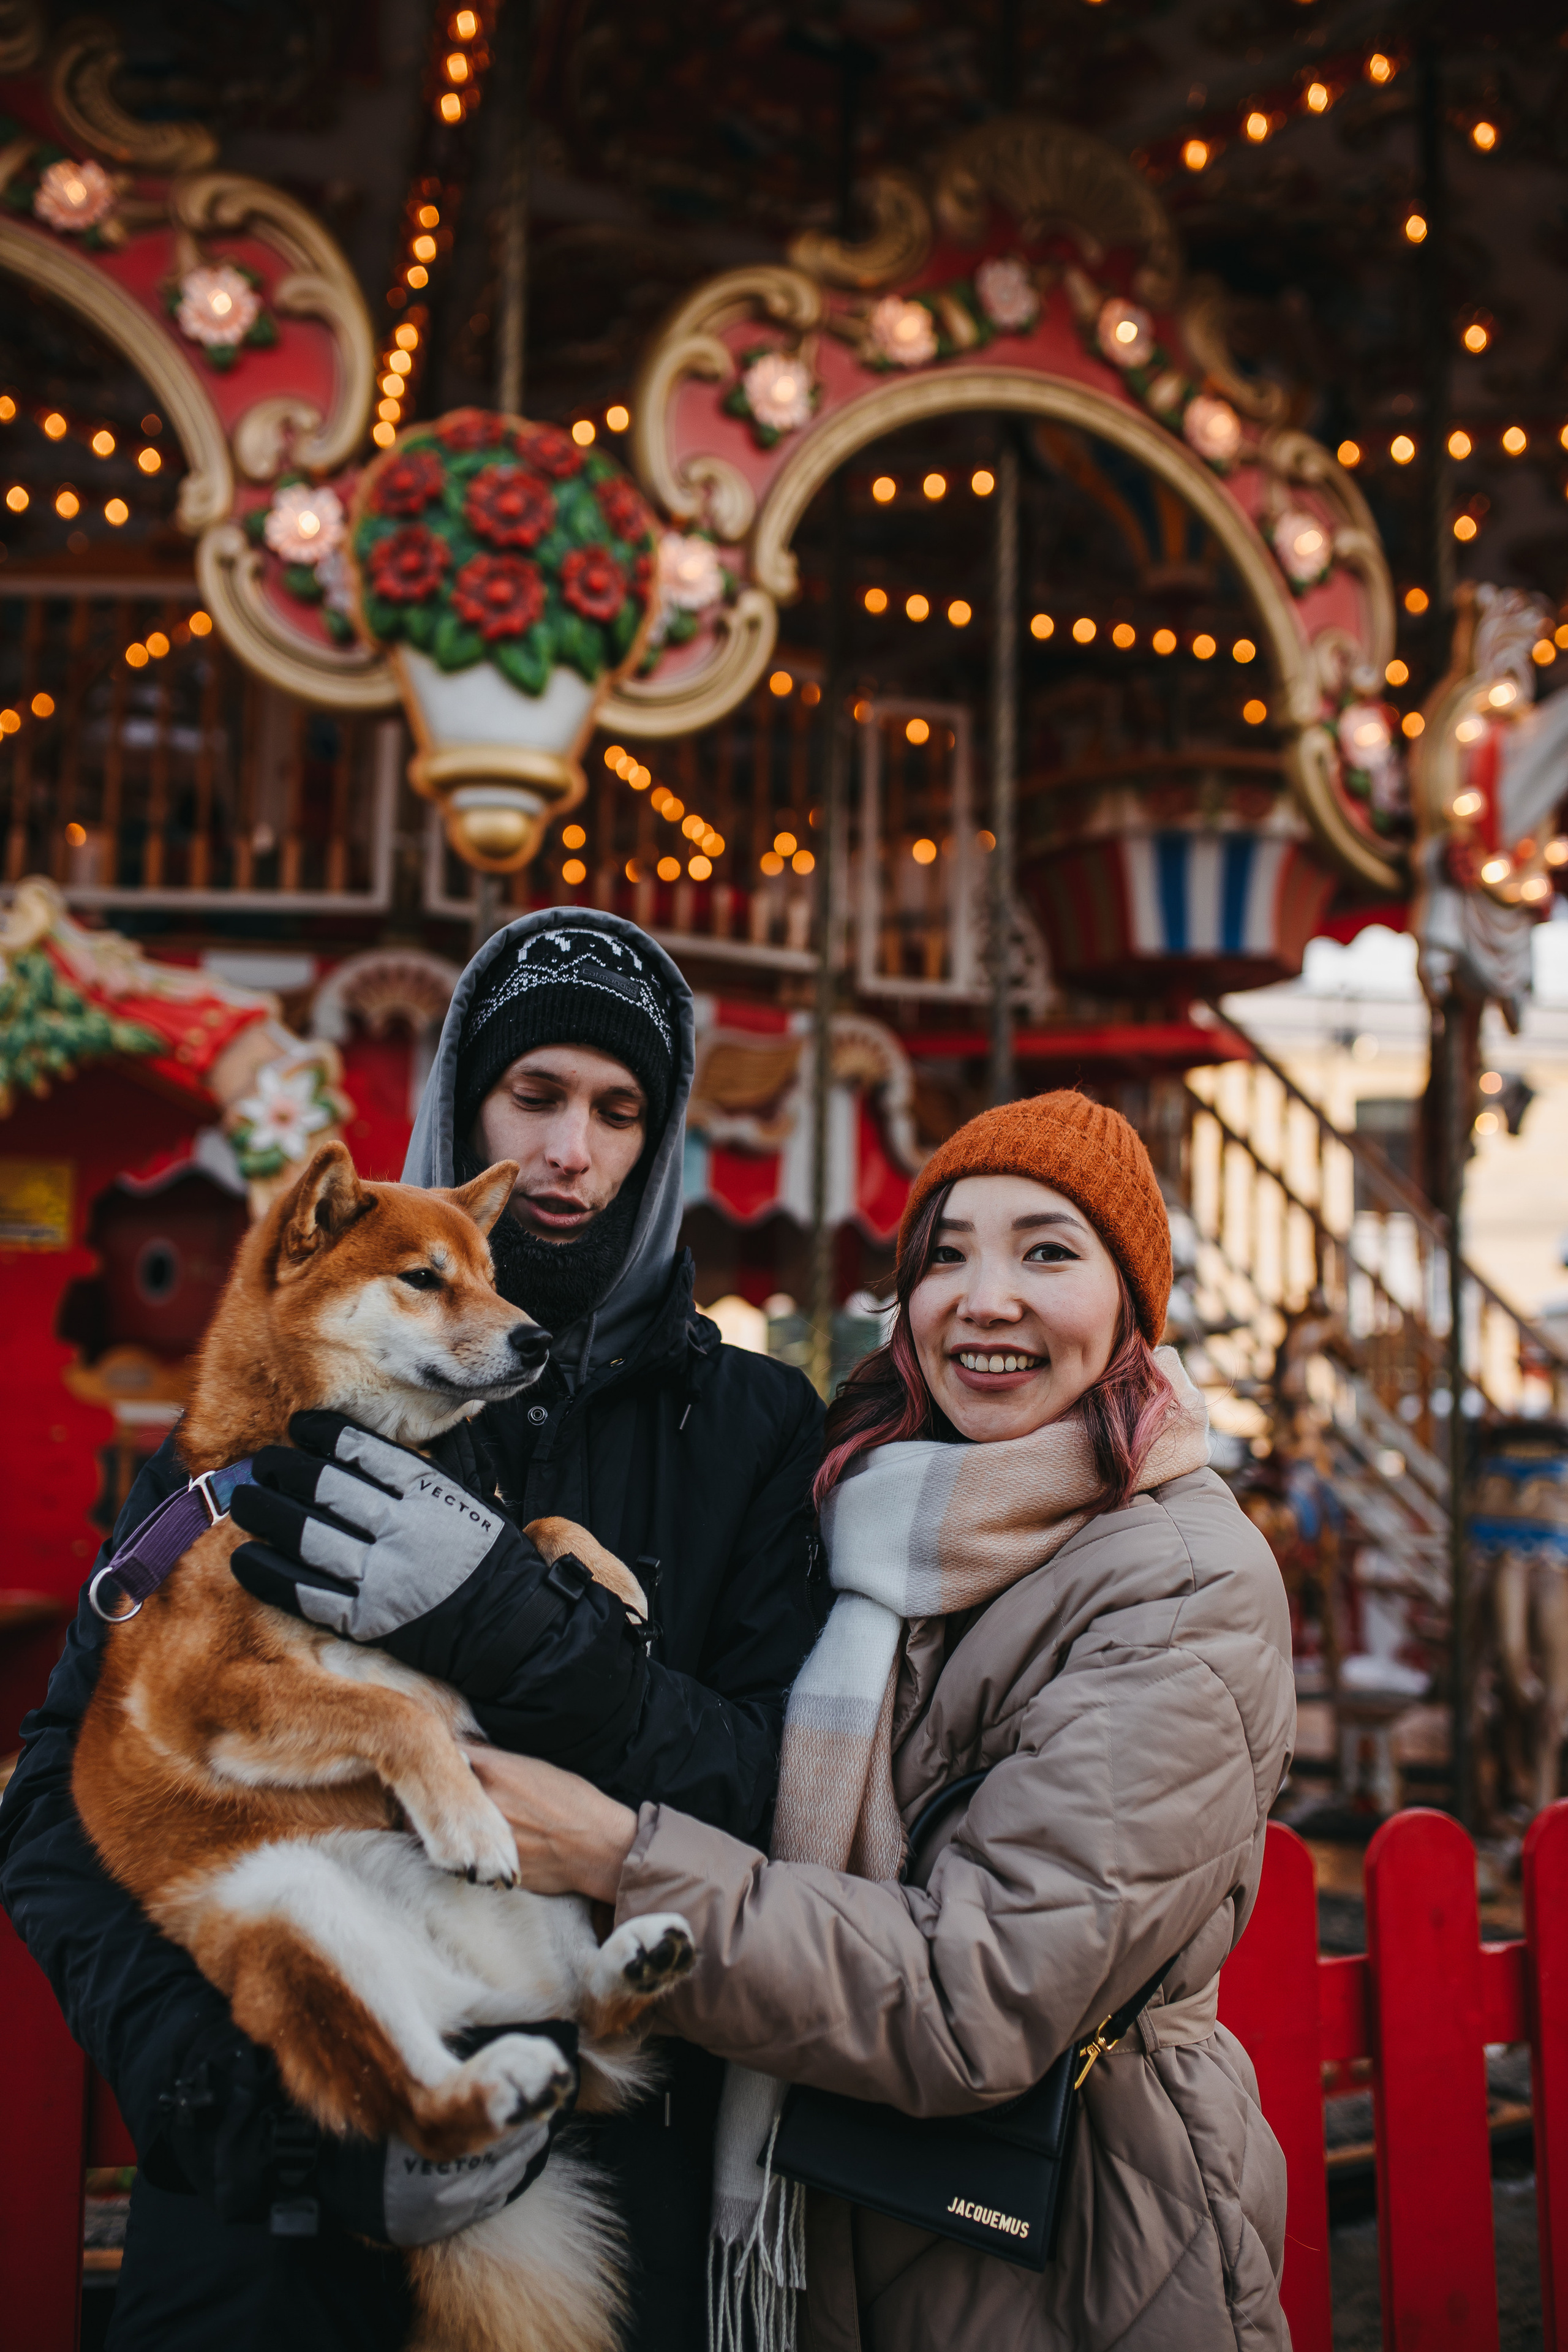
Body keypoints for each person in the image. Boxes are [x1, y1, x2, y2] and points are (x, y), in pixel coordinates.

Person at [0, 909, 823, 2352]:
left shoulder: (749, 1432)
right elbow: (68, 1790)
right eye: (536, 1096)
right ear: (462, 1109)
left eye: (618, 1109)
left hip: (592, 2171)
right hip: (264, 2223)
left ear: (661, 1133)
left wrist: (521, 1629)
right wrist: (231, 2091)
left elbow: (774, 1793)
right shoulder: (259, 1422)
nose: (572, 1150)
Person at [465, 1091, 1297, 2352]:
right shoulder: (891, 1531)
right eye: (944, 1255)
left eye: (1048, 1251)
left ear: (1133, 1308)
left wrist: (613, 1858)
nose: (985, 1297)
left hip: (1072, 2257)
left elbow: (979, 1993)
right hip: (857, 2224)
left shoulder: (1178, 1586)